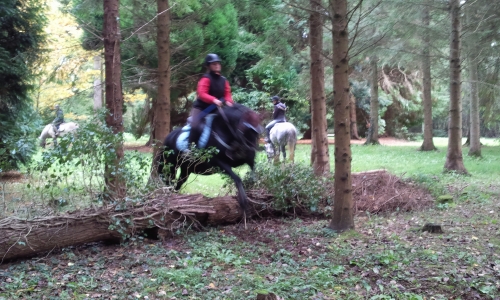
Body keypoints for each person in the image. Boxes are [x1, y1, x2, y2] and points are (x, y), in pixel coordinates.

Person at [189, 53, 234, 148]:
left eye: (218, 63)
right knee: (195, 125)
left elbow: (227, 95)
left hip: (217, 110)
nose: (217, 65)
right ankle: (190, 148)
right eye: (214, 64)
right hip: (201, 109)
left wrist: (229, 103)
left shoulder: (224, 80)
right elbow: (202, 93)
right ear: (209, 66)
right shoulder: (206, 78)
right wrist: (214, 100)